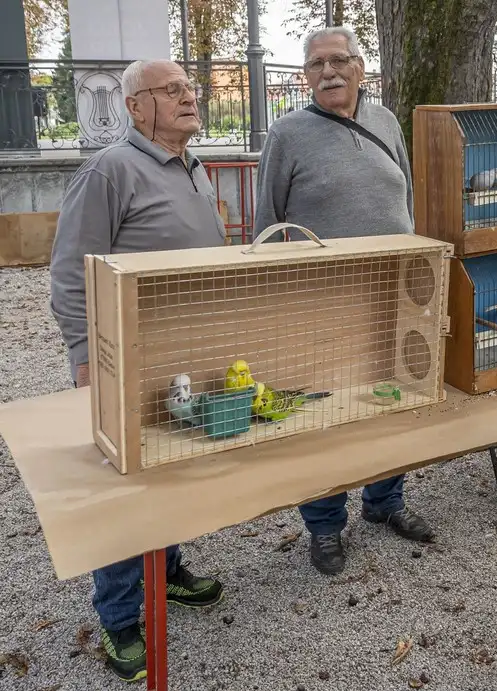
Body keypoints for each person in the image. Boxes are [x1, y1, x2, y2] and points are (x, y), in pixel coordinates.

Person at [49, 59, 226, 683]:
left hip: (186, 356)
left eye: (188, 87)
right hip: (127, 358)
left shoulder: (194, 165)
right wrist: (84, 358)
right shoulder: (108, 171)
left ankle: (168, 567)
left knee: (171, 467)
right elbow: (72, 273)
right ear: (135, 106)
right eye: (172, 90)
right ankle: (121, 617)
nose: (188, 96)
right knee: (123, 485)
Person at [253, 26, 433, 576]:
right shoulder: (287, 134)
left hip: (391, 293)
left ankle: (385, 502)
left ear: (361, 67)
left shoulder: (385, 121)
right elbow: (268, 220)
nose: (328, 72)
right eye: (316, 64)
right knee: (322, 410)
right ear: (305, 75)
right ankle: (326, 525)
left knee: (392, 399)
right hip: (321, 300)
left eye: (339, 60)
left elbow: (404, 191)